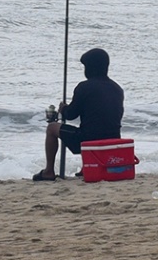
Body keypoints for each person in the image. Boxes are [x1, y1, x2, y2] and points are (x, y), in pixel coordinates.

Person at [34, 47, 124, 181]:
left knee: (52, 128)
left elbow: (71, 114)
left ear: (90, 68)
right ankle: (86, 167)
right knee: (92, 125)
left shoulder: (84, 87)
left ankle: (49, 171)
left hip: (89, 141)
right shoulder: (117, 89)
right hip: (113, 140)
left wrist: (63, 109)